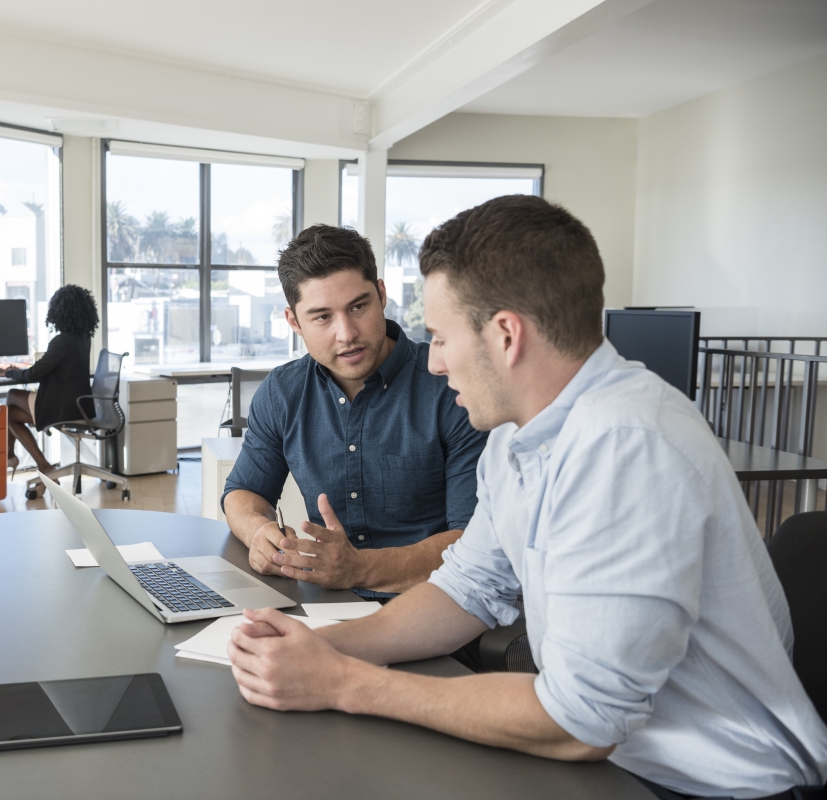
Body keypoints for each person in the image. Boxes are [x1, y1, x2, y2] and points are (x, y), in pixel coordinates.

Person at [226, 196, 827, 799]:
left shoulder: (628, 447)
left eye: (439, 337)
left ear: (506, 335)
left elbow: (582, 722)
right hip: (617, 759)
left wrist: (343, 683)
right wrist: (314, 644)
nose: (431, 362)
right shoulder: (516, 437)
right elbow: (466, 589)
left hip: (707, 783)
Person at [221, 224, 487, 598]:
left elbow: (473, 541)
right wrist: (259, 532)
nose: (346, 333)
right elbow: (244, 491)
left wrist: (358, 569)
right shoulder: (283, 392)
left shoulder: (451, 388)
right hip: (325, 600)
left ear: (381, 294)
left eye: (358, 306)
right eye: (322, 317)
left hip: (433, 603)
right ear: (294, 321)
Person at [0, 285, 99, 494]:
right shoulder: (83, 338)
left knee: (12, 395)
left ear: (60, 311)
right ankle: (40, 466)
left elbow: (33, 374)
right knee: (9, 415)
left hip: (62, 407)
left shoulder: (62, 341)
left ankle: (17, 458)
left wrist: (8, 371)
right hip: (78, 405)